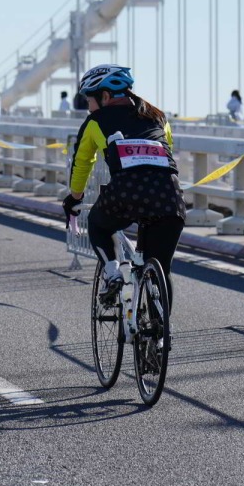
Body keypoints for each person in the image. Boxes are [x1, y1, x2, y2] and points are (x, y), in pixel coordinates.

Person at [62, 64, 185, 335]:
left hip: (126, 192)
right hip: (169, 194)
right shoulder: (158, 116)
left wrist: (74, 197)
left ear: (105, 96)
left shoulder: (96, 121)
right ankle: (159, 335)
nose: (88, 107)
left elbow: (82, 162)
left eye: (89, 99)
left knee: (98, 223)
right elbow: (169, 149)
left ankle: (113, 272)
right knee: (161, 268)